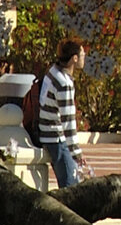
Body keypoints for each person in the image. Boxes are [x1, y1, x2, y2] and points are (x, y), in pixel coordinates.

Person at [33, 38, 86, 189]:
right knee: (71, 187)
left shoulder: (53, 71)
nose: (84, 57)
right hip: (56, 139)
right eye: (82, 55)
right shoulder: (64, 83)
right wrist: (76, 153)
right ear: (74, 58)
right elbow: (68, 122)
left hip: (47, 133)